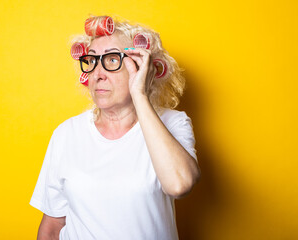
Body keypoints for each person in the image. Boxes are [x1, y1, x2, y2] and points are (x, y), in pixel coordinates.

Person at [30, 15, 200, 240]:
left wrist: (140, 94)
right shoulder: (67, 133)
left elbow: (180, 184)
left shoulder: (173, 123)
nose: (97, 74)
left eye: (111, 60)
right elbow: (52, 227)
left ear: (142, 67)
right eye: (91, 61)